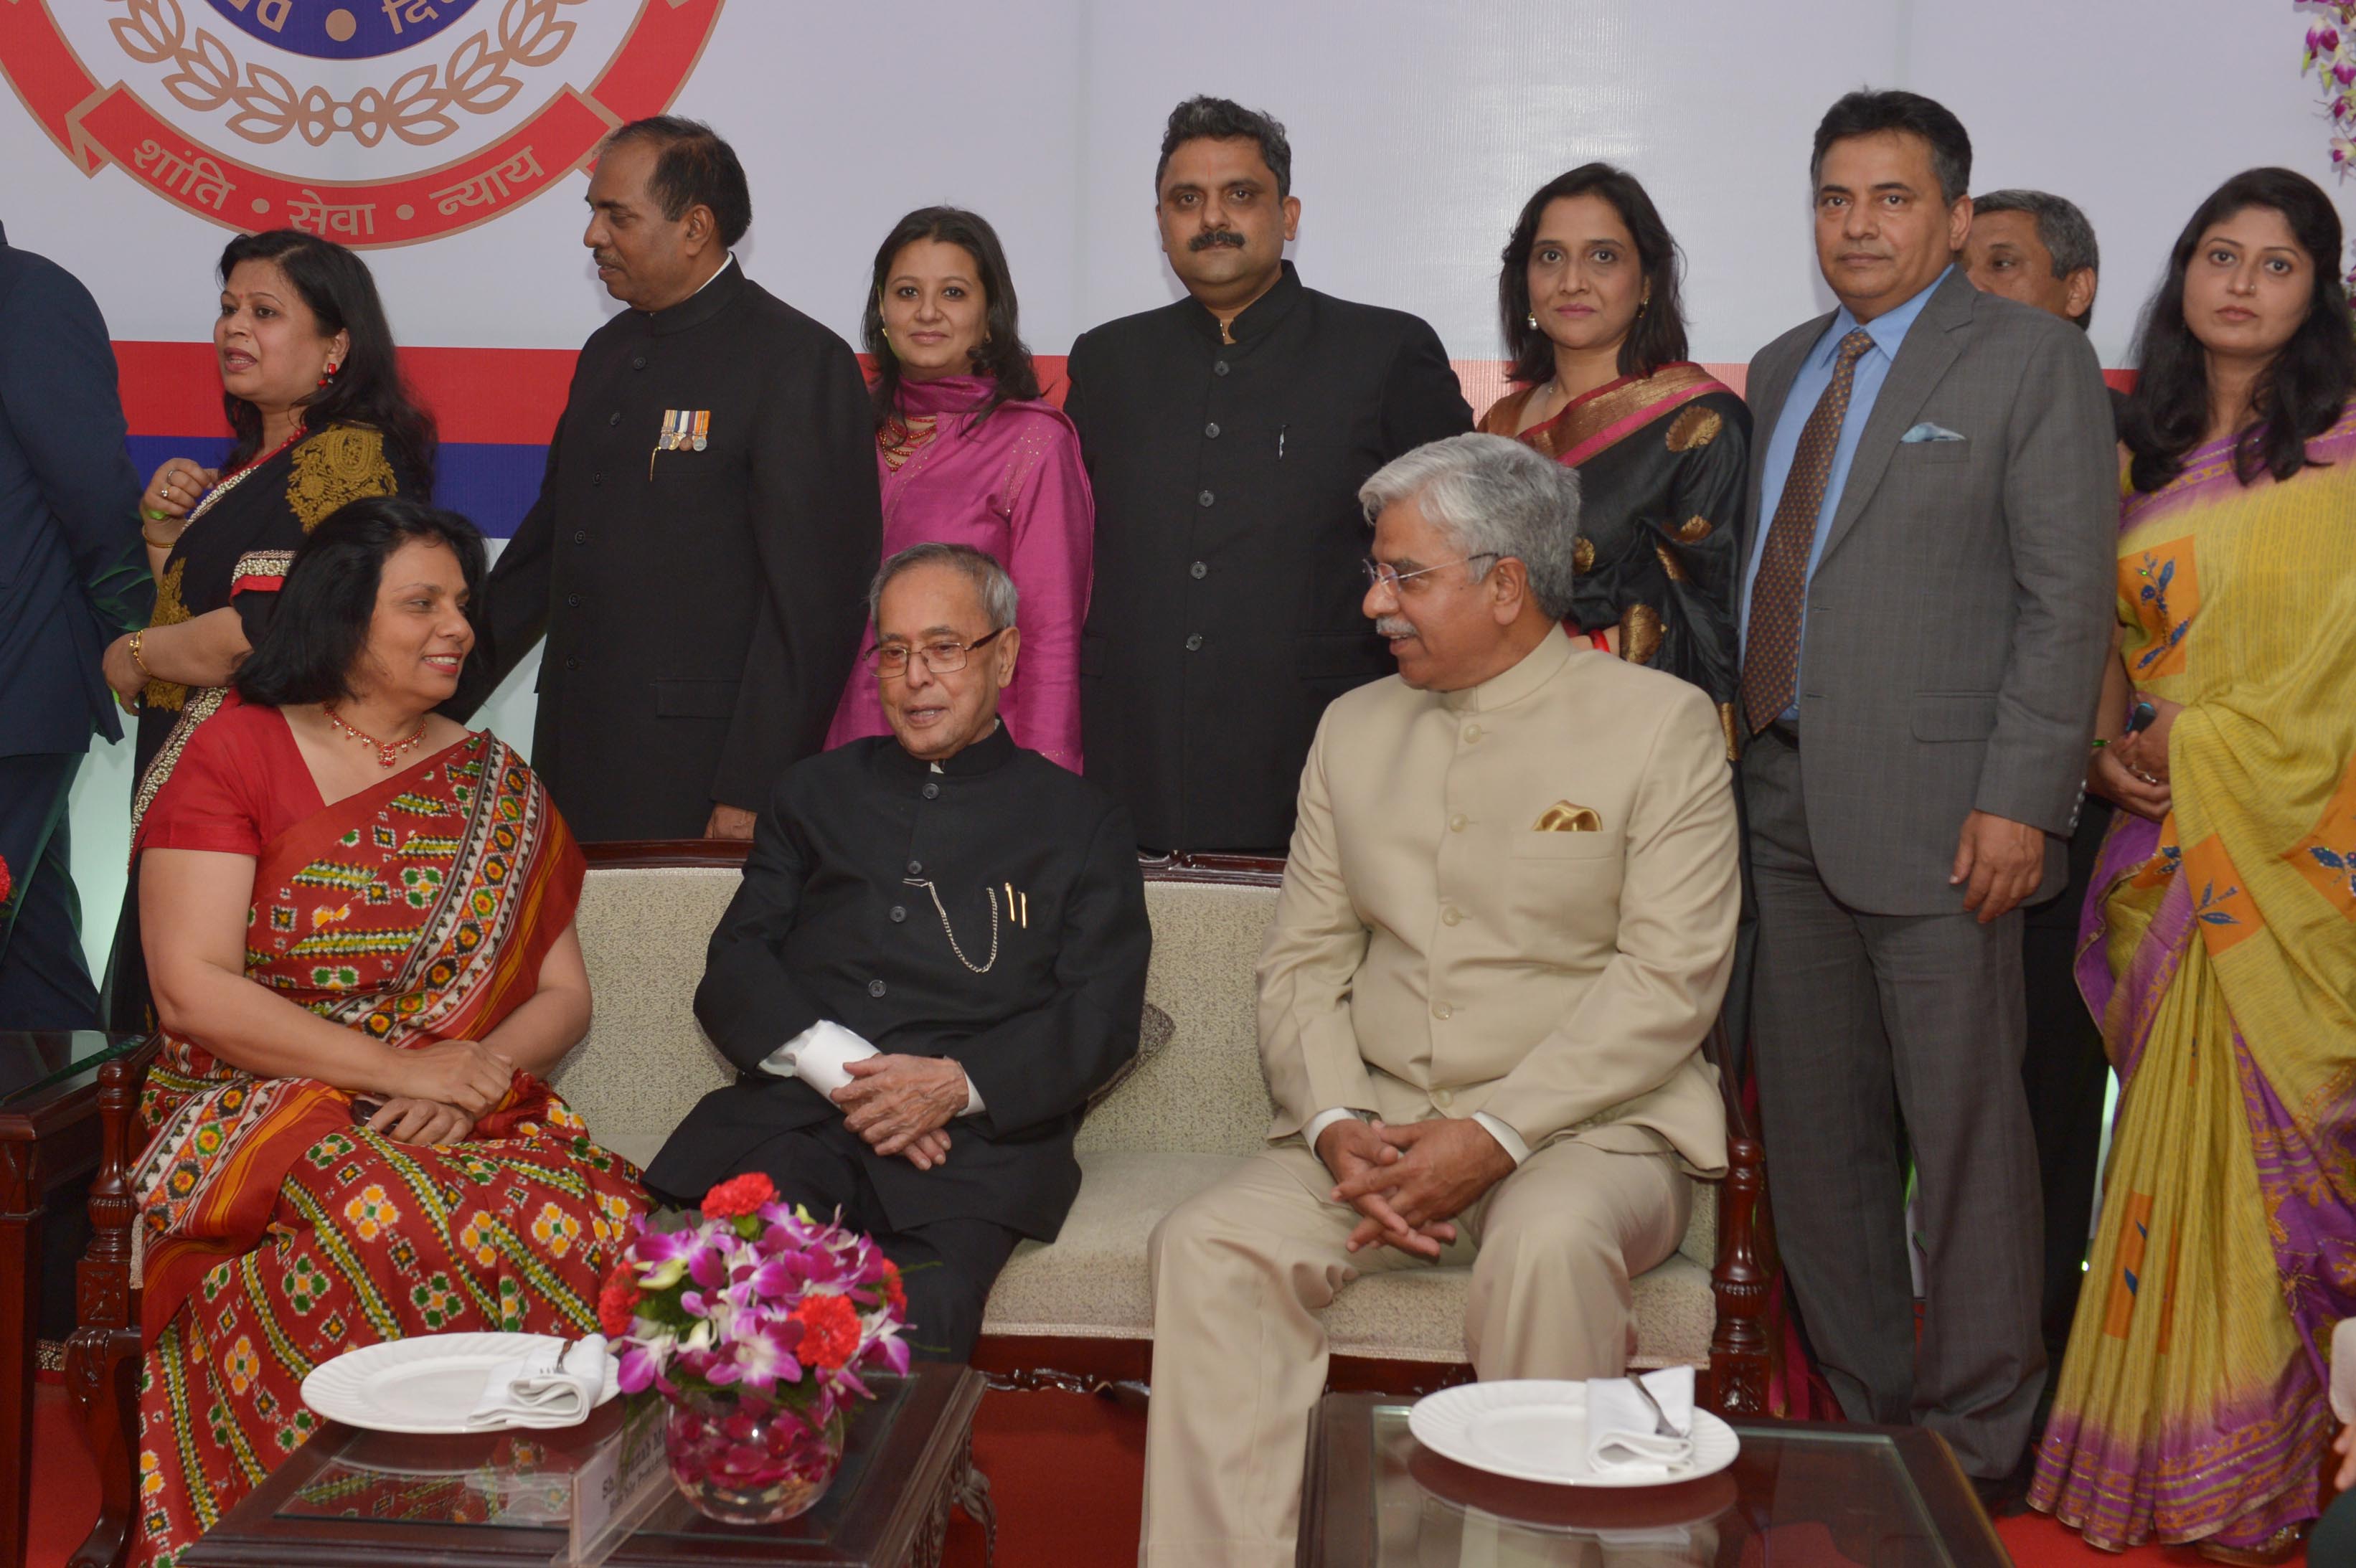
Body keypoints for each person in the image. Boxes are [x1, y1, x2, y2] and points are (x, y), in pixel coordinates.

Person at [1141, 434, 1739, 1566]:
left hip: (1592, 1134)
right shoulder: (1353, 729)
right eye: (1380, 573)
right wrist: (1334, 1124)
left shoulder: (1656, 726)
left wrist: (1495, 1132)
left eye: (1405, 575)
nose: (1375, 602)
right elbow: (1306, 962)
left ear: (1505, 583)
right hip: (1376, 1126)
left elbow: (1670, 982)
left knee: (1549, 1246)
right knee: (1211, 1245)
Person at [125, 496, 644, 1567]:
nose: (457, 624)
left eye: (462, 600)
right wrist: (402, 1067)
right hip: (245, 1103)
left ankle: (548, 1532)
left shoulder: (499, 781)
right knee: (385, 1216)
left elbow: (562, 996)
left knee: (593, 1224)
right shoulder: (233, 749)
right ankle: (336, 1537)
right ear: (343, 615)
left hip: (460, 1103)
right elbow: (191, 988)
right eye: (422, 603)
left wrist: (474, 1077)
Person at [1737, 90, 2116, 1501]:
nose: (1857, 224)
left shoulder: (2026, 360)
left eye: (1890, 199)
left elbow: (2064, 595)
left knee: (1965, 1141)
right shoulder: (1781, 366)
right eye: (1835, 197)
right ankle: (1861, 1410)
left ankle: (1975, 1437)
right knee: (1818, 1141)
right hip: (1780, 806)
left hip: (1953, 822)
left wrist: (2025, 799)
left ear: (1955, 220)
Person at [2032, 167, 2356, 1563]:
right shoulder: (2128, 454)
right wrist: (2104, 754)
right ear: (2181, 277)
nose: (2241, 283)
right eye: (2217, 255)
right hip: (2166, 843)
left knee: (2274, 1183)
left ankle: (2257, 1475)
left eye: (2275, 264)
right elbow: (2089, 637)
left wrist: (2216, 749)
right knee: (2167, 1161)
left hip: (2306, 861)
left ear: (2315, 291)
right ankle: (2168, 1462)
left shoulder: (2347, 449)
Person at [647, 542, 1151, 1363]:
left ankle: (891, 1491)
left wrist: (957, 1085)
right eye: (894, 651)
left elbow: (1100, 1015)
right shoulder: (811, 794)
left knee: (914, 1317)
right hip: (800, 1121)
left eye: (945, 647)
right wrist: (840, 1064)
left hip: (965, 1153)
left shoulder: (1079, 822)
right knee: (733, 1283)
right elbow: (735, 963)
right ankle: (735, 1486)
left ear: (1007, 654)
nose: (916, 675)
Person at [1065, 95, 1473, 854]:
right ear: (1160, 222)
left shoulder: (1382, 351)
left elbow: (1467, 546)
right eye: (1186, 200)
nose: (1210, 217)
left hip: (1323, 750)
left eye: (1239, 195)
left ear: (1287, 215)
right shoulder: (1108, 361)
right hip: (1133, 753)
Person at [458, 115, 880, 843]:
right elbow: (542, 556)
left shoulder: (796, 362)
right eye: (592, 212)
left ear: (695, 228)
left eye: (616, 215)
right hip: (573, 749)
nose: (592, 236)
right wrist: (423, 700)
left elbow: (811, 610)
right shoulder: (605, 352)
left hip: (702, 774)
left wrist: (753, 786)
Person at [100, 227, 434, 1032]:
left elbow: (265, 632)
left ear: (336, 344)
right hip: (208, 800)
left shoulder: (346, 457)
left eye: (264, 311)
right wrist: (161, 537)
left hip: (257, 810)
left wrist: (133, 652)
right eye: (226, 308)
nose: (233, 327)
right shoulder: (267, 460)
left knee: (217, 1028)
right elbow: (210, 611)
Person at [1961, 185, 2120, 1420]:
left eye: (1999, 265)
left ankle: (2048, 1377)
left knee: (2044, 1101)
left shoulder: (2146, 446)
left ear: (2075, 291)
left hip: (2094, 819)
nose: (1969, 287)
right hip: (1938, 808)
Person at [1475, 163, 1749, 736]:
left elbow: (1710, 617)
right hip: (1487, 721)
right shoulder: (1496, 426)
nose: (1572, 281)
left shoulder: (1701, 421)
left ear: (1647, 281)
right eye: (1550, 256)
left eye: (1603, 256)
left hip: (1622, 733)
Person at [824, 207, 1090, 770]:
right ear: (882, 311)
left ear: (990, 315)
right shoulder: (843, 433)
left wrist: (1044, 783)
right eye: (906, 292)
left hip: (975, 761)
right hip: (841, 756)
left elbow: (1050, 635)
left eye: (952, 293)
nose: (926, 312)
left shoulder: (1033, 443)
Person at [0, 219, 146, 1029]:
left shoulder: (28, 296)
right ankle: (82, 1149)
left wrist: (137, 641)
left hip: (13, 681)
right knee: (33, 963)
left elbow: (91, 486)